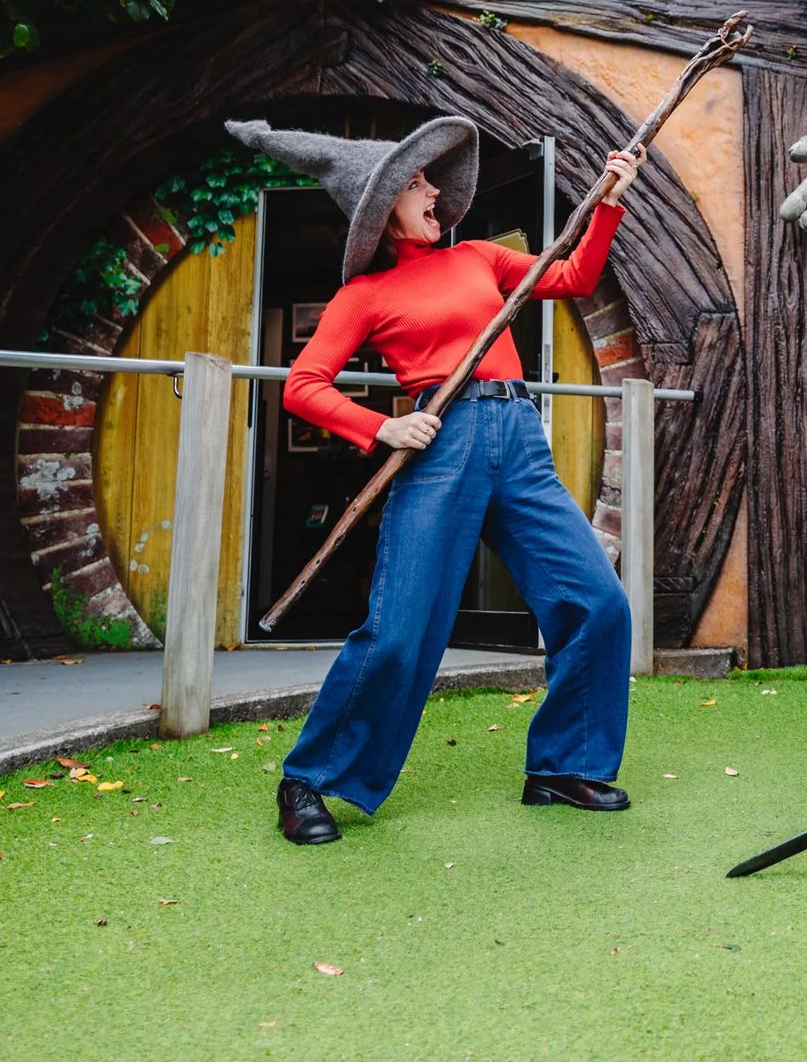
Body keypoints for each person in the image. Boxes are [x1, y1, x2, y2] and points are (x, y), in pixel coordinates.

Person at [224, 115, 645, 845]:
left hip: (519, 441)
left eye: (426, 178)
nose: (432, 190)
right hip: (440, 446)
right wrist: (380, 427)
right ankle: (309, 781)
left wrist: (609, 198)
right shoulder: (363, 297)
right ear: (381, 205)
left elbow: (573, 275)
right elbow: (303, 386)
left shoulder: (479, 256)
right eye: (416, 183)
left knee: (597, 601)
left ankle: (561, 766)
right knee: (400, 631)